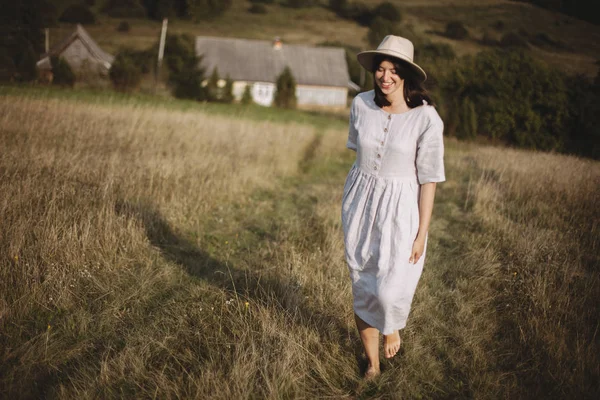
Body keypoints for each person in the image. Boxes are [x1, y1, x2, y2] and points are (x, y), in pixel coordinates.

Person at [341, 35, 446, 379]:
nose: (385, 77)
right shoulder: (361, 105)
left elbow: (428, 179)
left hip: (401, 211)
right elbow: (359, 152)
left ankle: (392, 325)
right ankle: (372, 365)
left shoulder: (425, 118)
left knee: (388, 289)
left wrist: (421, 234)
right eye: (380, 70)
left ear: (406, 75)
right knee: (363, 284)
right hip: (361, 203)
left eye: (393, 71)